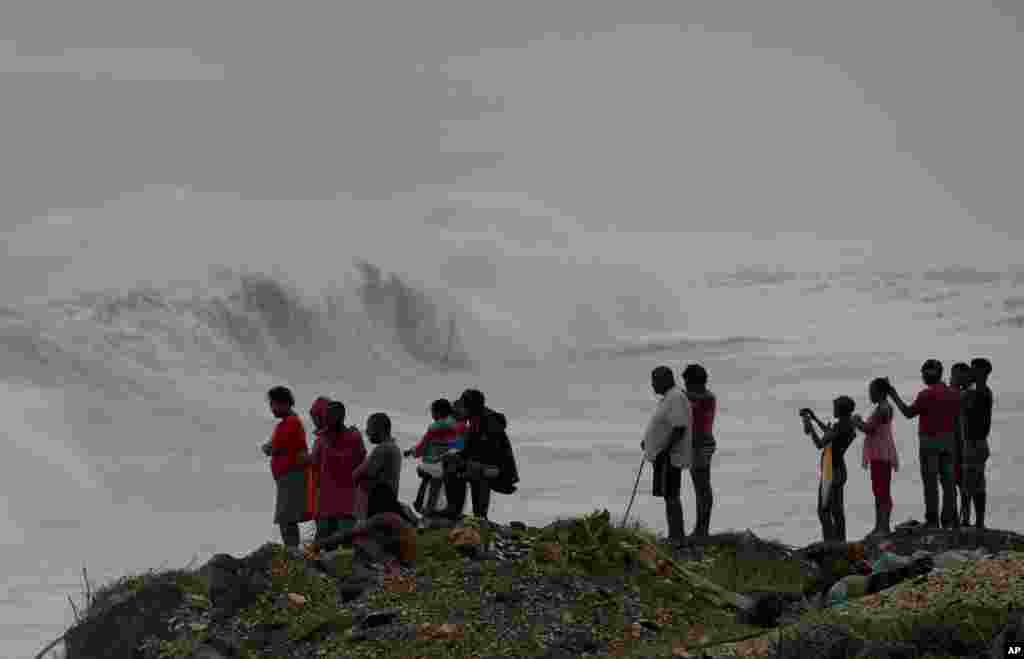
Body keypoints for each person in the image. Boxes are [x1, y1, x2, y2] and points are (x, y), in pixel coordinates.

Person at [885, 360, 962, 528]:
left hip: (929, 442)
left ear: (929, 374)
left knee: (931, 483)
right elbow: (957, 420)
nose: (922, 376)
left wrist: (893, 395)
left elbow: (908, 412)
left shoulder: (925, 395)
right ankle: (949, 519)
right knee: (948, 482)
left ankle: (932, 520)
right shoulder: (953, 393)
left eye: (923, 373)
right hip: (949, 441)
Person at [440, 389, 517, 522]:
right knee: (451, 462)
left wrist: (465, 461)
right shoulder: (475, 421)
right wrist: (457, 457)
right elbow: (468, 450)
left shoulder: (490, 421)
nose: (460, 409)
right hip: (484, 465)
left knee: (474, 469)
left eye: (463, 405)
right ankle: (453, 509)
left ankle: (479, 515)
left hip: (498, 470)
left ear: (470, 407)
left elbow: (491, 453)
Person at [641, 366, 692, 547]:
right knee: (669, 495)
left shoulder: (676, 397)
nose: (652, 385)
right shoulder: (669, 398)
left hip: (670, 457)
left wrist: (664, 450)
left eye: (655, 381)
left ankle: (677, 536)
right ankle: (675, 534)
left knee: (671, 495)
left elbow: (679, 428)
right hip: (664, 456)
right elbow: (664, 426)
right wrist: (648, 441)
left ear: (665, 380)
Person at [261, 386, 311, 550]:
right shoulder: (288, 423)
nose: (271, 409)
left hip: (291, 476)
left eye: (273, 404)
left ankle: (292, 552)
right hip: (288, 477)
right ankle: (292, 551)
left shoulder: (290, 423)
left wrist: (268, 447)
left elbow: (272, 448)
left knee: (286, 518)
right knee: (287, 517)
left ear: (282, 403)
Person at [801, 396, 857, 543]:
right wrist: (814, 418)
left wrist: (810, 426)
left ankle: (830, 542)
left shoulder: (839, 427)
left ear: (840, 410)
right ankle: (841, 541)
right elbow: (830, 432)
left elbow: (820, 443)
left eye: (835, 407)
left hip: (830, 472)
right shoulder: (849, 425)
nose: (833, 409)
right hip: (840, 469)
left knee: (824, 510)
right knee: (838, 511)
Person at [311, 400, 366, 542]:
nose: (327, 419)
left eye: (331, 415)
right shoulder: (322, 439)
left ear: (342, 416)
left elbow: (361, 463)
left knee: (345, 540)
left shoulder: (353, 437)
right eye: (326, 415)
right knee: (324, 540)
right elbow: (314, 464)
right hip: (326, 500)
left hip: (346, 501)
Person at [852, 379, 899, 537]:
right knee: (879, 489)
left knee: (881, 490)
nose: (870, 394)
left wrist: (857, 421)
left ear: (879, 392)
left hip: (881, 453)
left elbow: (869, 429)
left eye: (871, 391)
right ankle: (880, 525)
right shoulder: (883, 407)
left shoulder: (883, 409)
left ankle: (883, 526)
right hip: (880, 452)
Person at [404, 399, 459, 515]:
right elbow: (457, 446)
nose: (432, 415)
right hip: (447, 466)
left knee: (427, 493)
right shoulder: (455, 425)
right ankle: (432, 512)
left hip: (432, 464)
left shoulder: (435, 427)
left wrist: (411, 452)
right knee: (436, 491)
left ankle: (426, 512)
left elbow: (423, 446)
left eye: (432, 412)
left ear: (438, 413)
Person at [682, 363, 716, 538]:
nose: (685, 386)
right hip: (699, 445)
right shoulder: (699, 397)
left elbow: (692, 399)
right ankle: (701, 528)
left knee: (702, 488)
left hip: (701, 446)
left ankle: (702, 529)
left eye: (687, 382)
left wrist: (679, 394)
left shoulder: (706, 398)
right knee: (701, 487)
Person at [962, 358, 994, 529]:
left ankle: (972, 521)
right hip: (976, 443)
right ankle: (975, 520)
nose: (970, 373)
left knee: (972, 483)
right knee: (975, 483)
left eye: (973, 370)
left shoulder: (979, 392)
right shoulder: (981, 391)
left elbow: (965, 406)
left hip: (975, 443)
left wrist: (964, 388)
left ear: (982, 372)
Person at [353, 413, 402, 510]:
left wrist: (355, 441)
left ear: (380, 429)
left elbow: (358, 474)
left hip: (377, 506)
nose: (366, 432)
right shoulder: (394, 447)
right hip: (386, 504)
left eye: (369, 428)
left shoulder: (382, 449)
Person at [949, 362, 973, 525]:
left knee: (964, 485)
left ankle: (964, 518)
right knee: (954, 483)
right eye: (953, 375)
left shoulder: (966, 395)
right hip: (953, 443)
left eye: (956, 375)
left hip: (963, 444)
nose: (953, 378)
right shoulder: (956, 394)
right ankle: (958, 518)